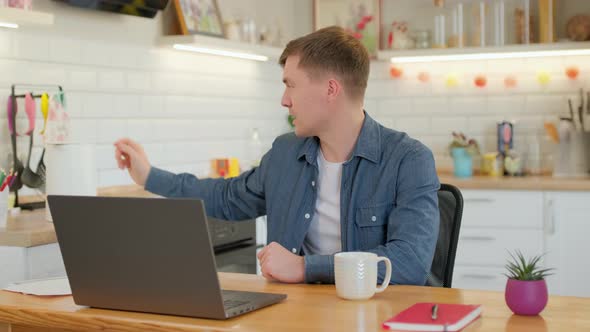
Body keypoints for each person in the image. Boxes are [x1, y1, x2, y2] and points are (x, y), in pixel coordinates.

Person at [114, 26, 440, 285]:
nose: (284, 100)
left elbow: (410, 262)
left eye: (291, 85)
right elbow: (226, 197)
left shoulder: (408, 160)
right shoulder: (285, 153)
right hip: (295, 316)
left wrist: (304, 268)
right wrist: (148, 176)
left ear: (330, 89)